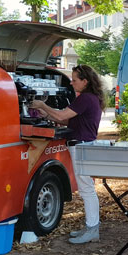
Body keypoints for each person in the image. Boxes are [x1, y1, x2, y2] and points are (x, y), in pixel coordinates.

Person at [31, 65, 105, 244]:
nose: (71, 83)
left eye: (74, 80)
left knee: (87, 189)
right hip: (83, 145)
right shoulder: (89, 98)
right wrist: (46, 114)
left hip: (81, 146)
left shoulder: (85, 98)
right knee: (87, 188)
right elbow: (63, 119)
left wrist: (42, 105)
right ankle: (90, 226)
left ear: (85, 81)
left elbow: (62, 114)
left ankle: (92, 229)